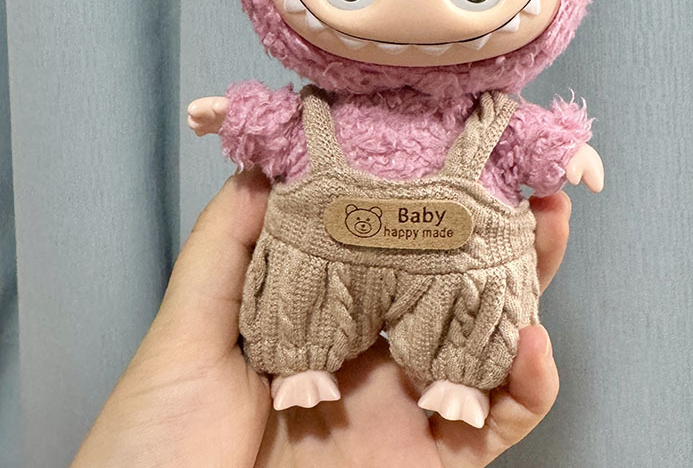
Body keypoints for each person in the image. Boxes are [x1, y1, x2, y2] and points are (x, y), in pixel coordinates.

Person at [70, 169, 571, 467]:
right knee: (302, 293)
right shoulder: (314, 115)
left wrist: (561, 146)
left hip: (457, 258)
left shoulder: (491, 117)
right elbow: (268, 124)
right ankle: (298, 362)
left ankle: (462, 375)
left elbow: (529, 138)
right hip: (325, 251)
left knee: (473, 307)